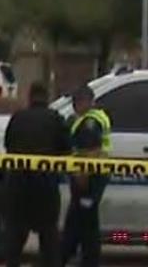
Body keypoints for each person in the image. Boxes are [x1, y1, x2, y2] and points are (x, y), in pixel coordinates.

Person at [3, 83, 70, 267]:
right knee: (48, 235)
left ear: (30, 97)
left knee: (15, 235)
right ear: (46, 97)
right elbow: (66, 148)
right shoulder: (55, 119)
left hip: (18, 183)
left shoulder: (18, 118)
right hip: (45, 184)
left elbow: (8, 145)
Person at [59, 84, 111, 267]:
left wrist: (82, 176)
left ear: (87, 101)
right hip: (93, 177)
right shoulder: (93, 118)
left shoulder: (89, 123)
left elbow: (91, 152)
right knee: (82, 221)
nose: (75, 106)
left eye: (77, 102)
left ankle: (79, 259)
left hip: (88, 179)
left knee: (84, 222)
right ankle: (70, 257)